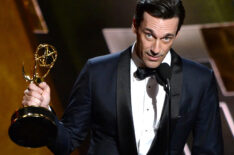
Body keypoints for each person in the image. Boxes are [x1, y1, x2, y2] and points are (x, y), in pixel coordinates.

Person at [22, 0, 223, 154]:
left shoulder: (200, 80)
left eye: (166, 38)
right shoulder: (97, 72)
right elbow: (67, 142)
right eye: (149, 35)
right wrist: (44, 113)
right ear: (135, 26)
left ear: (176, 34)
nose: (156, 48)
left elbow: (209, 150)